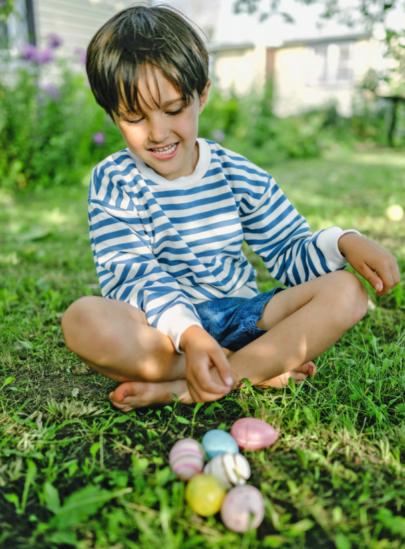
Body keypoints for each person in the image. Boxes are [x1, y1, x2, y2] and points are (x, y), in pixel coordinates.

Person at [61, 5, 399, 412]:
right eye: (134, 117)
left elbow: (289, 252)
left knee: (347, 292)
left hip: (242, 317)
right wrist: (190, 334)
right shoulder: (115, 180)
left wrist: (343, 243)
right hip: (160, 333)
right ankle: (245, 370)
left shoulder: (237, 173)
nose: (158, 133)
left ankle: (192, 384)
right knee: (82, 320)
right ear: (113, 114)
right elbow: (132, 276)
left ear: (201, 95)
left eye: (173, 110)